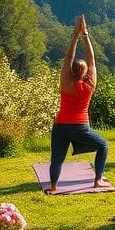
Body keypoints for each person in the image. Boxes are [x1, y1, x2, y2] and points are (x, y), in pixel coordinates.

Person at [46, 15, 108, 194]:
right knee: (103, 145)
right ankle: (98, 180)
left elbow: (68, 57)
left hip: (61, 126)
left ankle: (53, 186)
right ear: (86, 72)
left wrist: (75, 35)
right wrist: (85, 35)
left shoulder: (65, 82)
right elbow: (92, 60)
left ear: (71, 70)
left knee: (57, 158)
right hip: (81, 127)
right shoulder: (89, 86)